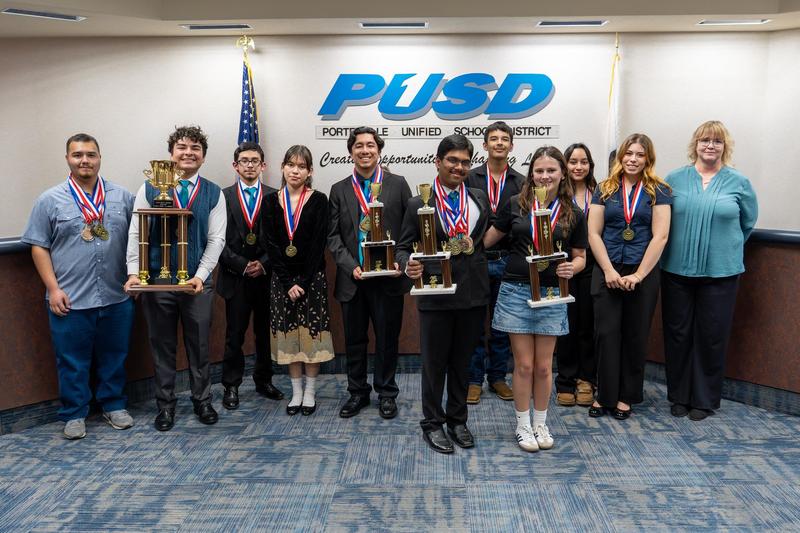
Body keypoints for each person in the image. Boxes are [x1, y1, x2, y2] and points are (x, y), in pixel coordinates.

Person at [22, 133, 135, 439]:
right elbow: (38, 246)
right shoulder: (49, 200)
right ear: (68, 159)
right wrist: (53, 289)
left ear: (100, 158)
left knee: (115, 356)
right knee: (72, 360)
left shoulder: (122, 197)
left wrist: (135, 275)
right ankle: (74, 413)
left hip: (116, 296)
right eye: (77, 155)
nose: (84, 160)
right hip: (69, 298)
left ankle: (113, 405)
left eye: (91, 154)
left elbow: (136, 241)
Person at [484, 146, 587, 452]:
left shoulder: (574, 213)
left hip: (554, 294)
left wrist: (573, 266)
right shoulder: (515, 204)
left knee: (544, 367)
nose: (545, 176)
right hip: (516, 290)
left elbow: (580, 257)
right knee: (524, 365)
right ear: (531, 175)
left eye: (551, 170)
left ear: (562, 173)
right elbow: (488, 240)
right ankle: (522, 425)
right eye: (539, 171)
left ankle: (541, 423)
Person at [124, 125, 226, 431]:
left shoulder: (213, 192)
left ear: (203, 157)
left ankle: (202, 401)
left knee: (199, 346)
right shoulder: (150, 187)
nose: (188, 153)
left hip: (196, 284)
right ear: (171, 154)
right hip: (157, 281)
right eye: (182, 147)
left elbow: (216, 239)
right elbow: (136, 232)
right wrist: (134, 273)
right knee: (163, 346)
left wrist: (200, 276)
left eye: (195, 148)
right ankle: (165, 406)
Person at [396, 134, 491, 454]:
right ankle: (432, 423)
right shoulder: (417, 202)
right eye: (452, 160)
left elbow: (478, 242)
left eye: (465, 162)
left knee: (463, 362)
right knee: (435, 363)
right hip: (435, 294)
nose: (459, 167)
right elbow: (403, 247)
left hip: (472, 294)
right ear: (438, 162)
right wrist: (407, 263)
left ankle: (458, 420)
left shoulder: (479, 198)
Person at [661, 121, 758, 421]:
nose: (710, 146)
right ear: (696, 144)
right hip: (677, 271)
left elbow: (747, 223)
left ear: (724, 146)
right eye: (705, 140)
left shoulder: (739, 182)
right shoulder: (674, 178)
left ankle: (703, 400)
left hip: (721, 274)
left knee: (711, 336)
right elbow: (662, 221)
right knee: (677, 335)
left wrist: (722, 248)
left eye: (717, 141)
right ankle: (679, 396)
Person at [328, 127, 412, 419]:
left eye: (370, 145)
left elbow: (407, 232)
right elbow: (333, 237)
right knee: (354, 341)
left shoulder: (398, 184)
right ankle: (357, 393)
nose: (365, 150)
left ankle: (387, 393)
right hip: (355, 280)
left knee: (388, 340)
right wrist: (352, 267)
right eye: (359, 146)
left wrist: (400, 260)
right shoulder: (339, 189)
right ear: (351, 151)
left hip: (388, 279)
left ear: (379, 149)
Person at [587, 133, 672, 420]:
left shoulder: (659, 190)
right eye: (628, 154)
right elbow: (593, 233)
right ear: (620, 157)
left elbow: (660, 237)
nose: (633, 159)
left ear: (648, 159)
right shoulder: (604, 189)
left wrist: (638, 275)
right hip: (607, 268)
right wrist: (609, 270)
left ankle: (626, 396)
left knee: (635, 335)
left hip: (642, 270)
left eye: (639, 154)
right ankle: (605, 395)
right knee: (606, 334)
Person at [263, 145, 334, 416]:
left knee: (311, 336)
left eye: (302, 166)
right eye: (291, 164)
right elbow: (271, 245)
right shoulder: (271, 201)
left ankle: (310, 392)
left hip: (311, 279)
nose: (295, 170)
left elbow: (318, 246)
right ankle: (295, 393)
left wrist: (302, 282)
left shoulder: (319, 200)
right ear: (283, 167)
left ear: (310, 171)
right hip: (282, 282)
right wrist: (286, 281)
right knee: (289, 336)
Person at [216, 141, 284, 410]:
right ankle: (231, 385)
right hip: (236, 277)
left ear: (263, 165)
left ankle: (264, 380)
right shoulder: (222, 197)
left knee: (265, 333)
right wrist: (243, 264)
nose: (249, 165)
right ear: (235, 165)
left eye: (254, 161)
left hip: (266, 277)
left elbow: (280, 237)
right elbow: (217, 239)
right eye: (244, 160)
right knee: (234, 335)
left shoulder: (274, 196)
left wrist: (263, 263)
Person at [466, 121, 524, 405]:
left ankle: (498, 377)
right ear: (485, 145)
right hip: (474, 259)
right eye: (493, 138)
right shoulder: (469, 177)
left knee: (503, 323)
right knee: (474, 323)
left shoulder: (522, 182)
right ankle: (474, 379)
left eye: (504, 139)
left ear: (511, 146)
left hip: (508, 259)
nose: (499, 143)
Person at [555, 143, 598, 408]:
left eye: (584, 162)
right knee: (566, 327)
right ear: (564, 166)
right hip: (562, 269)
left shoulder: (601, 193)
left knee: (588, 325)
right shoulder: (555, 198)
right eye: (572, 162)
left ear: (590, 166)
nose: (578, 167)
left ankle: (586, 379)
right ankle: (566, 381)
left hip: (593, 267)